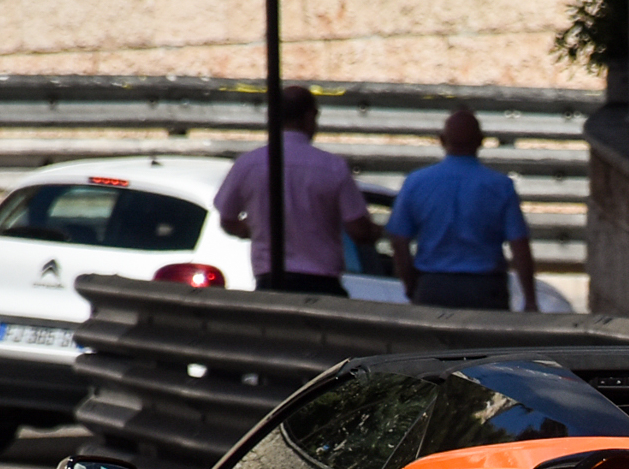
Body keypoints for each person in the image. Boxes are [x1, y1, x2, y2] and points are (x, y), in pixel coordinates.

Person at [214, 85, 377, 296]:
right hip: (321, 285)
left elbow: (227, 219)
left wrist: (255, 230)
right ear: (309, 117)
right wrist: (379, 231)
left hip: (270, 281)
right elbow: (359, 230)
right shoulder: (332, 167)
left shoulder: (248, 165)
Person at [386, 111, 539, 311]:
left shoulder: (415, 183)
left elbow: (399, 240)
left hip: (433, 285)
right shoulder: (500, 186)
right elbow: (519, 246)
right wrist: (529, 298)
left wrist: (411, 284)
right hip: (485, 288)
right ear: (481, 141)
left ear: (441, 140)